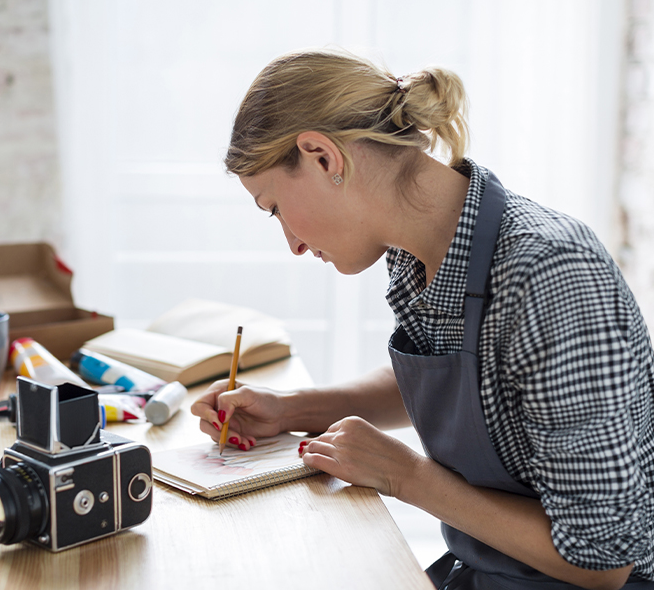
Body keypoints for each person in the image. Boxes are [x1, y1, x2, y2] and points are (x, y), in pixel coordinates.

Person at [190, 49, 654, 590]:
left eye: (273, 208)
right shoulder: (415, 253)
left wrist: (405, 474)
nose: (292, 244)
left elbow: (602, 561)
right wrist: (292, 409)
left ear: (321, 156)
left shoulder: (551, 273)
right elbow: (474, 380)